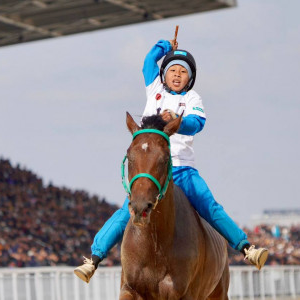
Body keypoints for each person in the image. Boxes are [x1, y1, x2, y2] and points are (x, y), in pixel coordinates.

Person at [74, 38, 268, 283]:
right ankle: (93, 259)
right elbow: (147, 63)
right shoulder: (154, 89)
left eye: (183, 72)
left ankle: (246, 248)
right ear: (164, 75)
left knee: (209, 206)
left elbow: (197, 123)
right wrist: (165, 47)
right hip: (152, 170)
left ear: (190, 78)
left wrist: (177, 117)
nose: (177, 75)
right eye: (173, 70)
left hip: (183, 169)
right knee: (127, 211)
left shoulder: (193, 99)